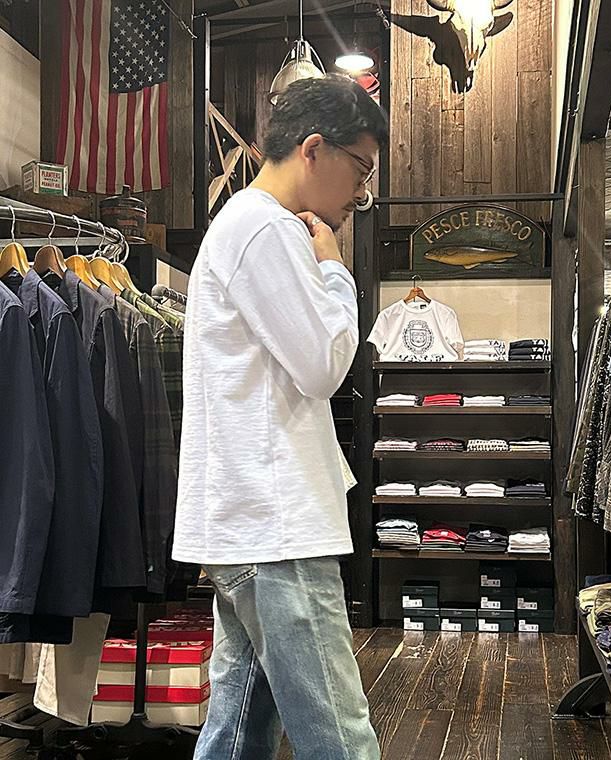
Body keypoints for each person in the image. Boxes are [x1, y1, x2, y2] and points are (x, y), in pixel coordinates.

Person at [172, 75, 388, 760]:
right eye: (361, 170)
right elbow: (324, 366)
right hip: (276, 525)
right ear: (314, 149)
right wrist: (335, 272)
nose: (361, 194)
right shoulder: (267, 228)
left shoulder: (244, 224)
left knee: (237, 732)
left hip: (251, 525)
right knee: (340, 737)